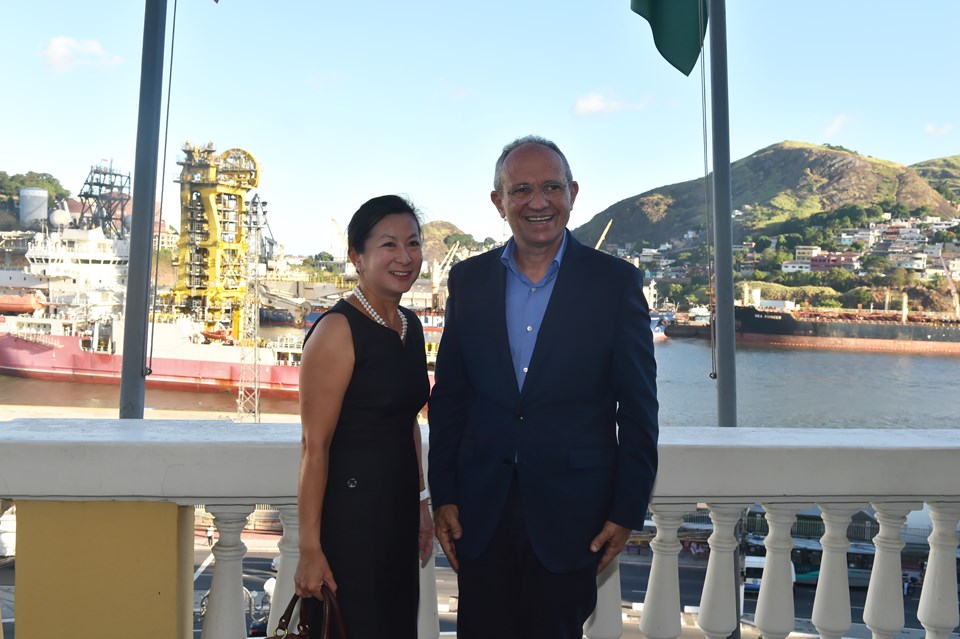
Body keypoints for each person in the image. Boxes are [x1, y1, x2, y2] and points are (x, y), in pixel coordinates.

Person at [428, 135, 659, 639]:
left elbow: (638, 409)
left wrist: (627, 510)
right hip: (480, 516)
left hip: (573, 517)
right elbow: (450, 399)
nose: (538, 202)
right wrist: (442, 493)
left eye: (552, 187)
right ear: (499, 202)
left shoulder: (615, 283)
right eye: (522, 190)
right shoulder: (468, 281)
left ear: (573, 193)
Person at [294, 195, 433, 638]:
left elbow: (406, 421)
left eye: (413, 243)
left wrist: (421, 502)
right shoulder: (337, 330)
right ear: (357, 256)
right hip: (351, 520)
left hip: (397, 513)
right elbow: (314, 446)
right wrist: (310, 548)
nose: (405, 257)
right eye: (389, 245)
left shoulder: (410, 327)